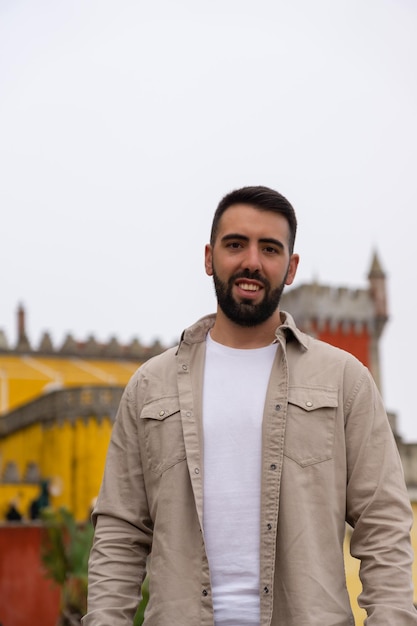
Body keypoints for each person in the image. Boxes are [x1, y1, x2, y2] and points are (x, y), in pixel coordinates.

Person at [83, 186, 417, 626]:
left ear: (291, 267)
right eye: (236, 244)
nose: (252, 262)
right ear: (209, 258)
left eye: (270, 248)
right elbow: (120, 532)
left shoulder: (345, 380)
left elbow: (383, 524)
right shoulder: (150, 386)